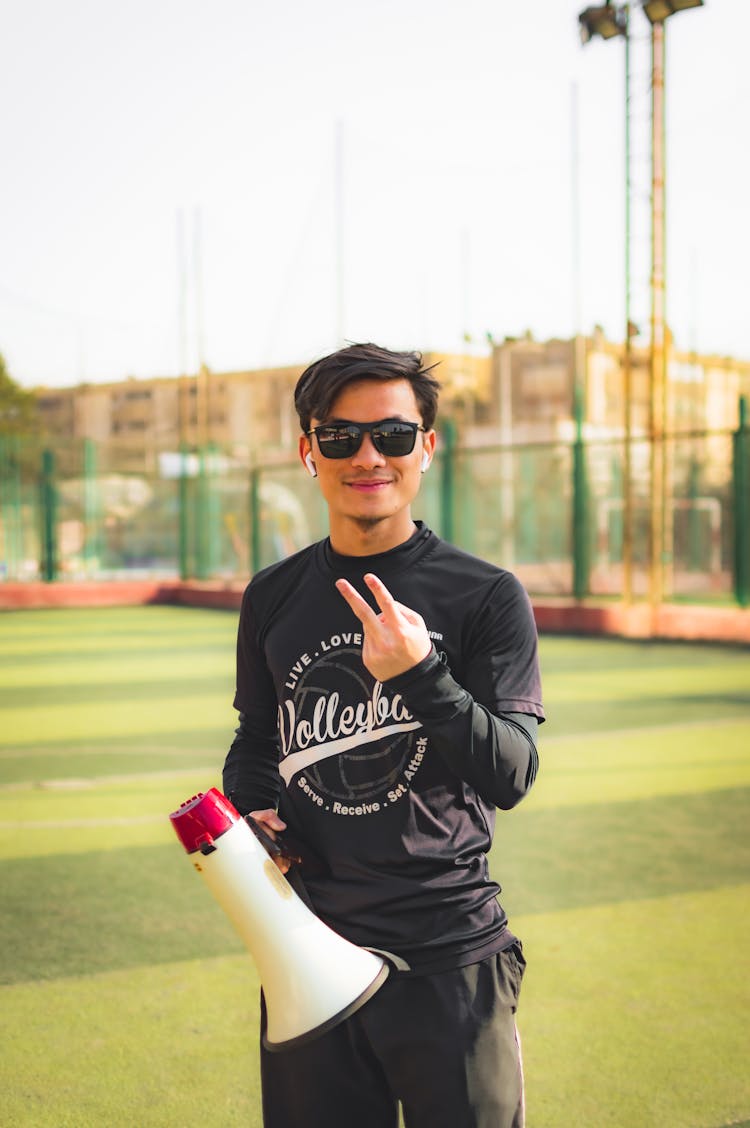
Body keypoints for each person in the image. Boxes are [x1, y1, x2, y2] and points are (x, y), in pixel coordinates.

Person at [223, 341, 544, 1128]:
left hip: (450, 953)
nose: (368, 455)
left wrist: (419, 673)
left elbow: (513, 771)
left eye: (393, 436)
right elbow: (257, 742)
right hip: (308, 945)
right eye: (341, 437)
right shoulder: (273, 596)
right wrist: (251, 813)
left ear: (426, 448)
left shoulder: (485, 596)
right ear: (309, 452)